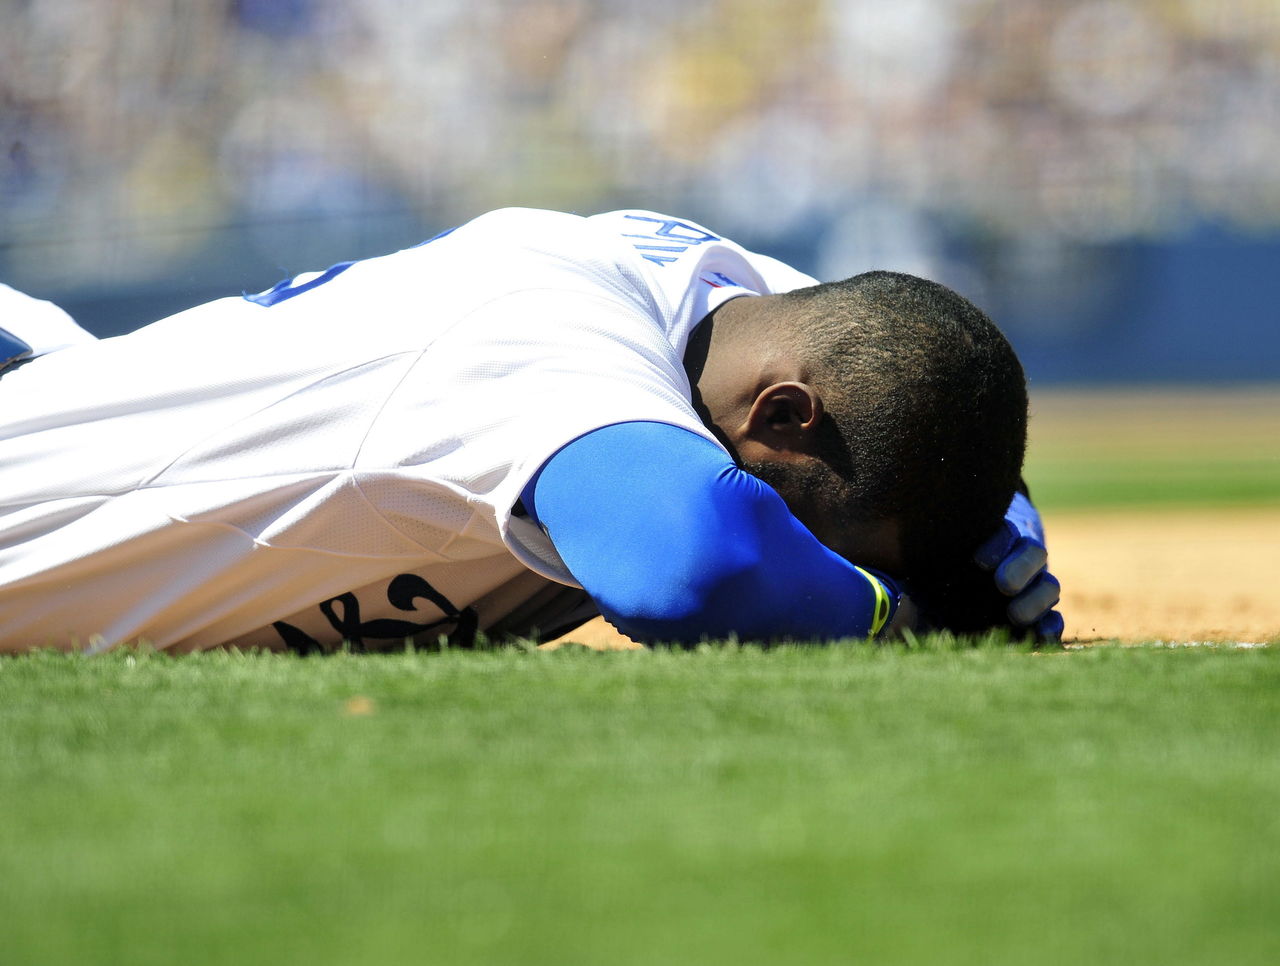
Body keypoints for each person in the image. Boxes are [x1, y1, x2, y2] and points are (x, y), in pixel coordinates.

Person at [0, 208, 1061, 653]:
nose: (809, 567)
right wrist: (905, 615)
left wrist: (989, 531)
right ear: (778, 419)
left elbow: (923, 368)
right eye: (812, 536)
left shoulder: (743, 321)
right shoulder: (541, 327)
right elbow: (699, 568)